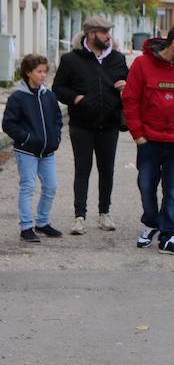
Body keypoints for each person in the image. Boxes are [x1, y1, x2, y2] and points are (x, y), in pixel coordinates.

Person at [122, 24, 174, 257]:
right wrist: (138, 135)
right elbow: (130, 100)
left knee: (173, 191)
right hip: (148, 141)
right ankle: (151, 222)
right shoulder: (142, 65)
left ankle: (168, 236)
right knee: (146, 186)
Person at [52, 16, 129, 235]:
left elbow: (131, 87)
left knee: (107, 171)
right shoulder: (71, 59)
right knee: (82, 170)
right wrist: (75, 98)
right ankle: (79, 217)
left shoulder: (117, 59)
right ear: (91, 34)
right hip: (81, 125)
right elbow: (58, 87)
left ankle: (104, 213)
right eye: (104, 32)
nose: (108, 36)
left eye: (109, 31)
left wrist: (126, 85)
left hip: (110, 124)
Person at [2, 55, 63, 242]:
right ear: (28, 72)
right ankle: (26, 227)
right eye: (39, 71)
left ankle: (42, 223)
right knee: (27, 187)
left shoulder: (49, 95)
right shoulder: (17, 97)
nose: (43, 75)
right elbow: (8, 124)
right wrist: (27, 138)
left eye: (45, 71)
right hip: (26, 151)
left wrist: (55, 137)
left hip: (47, 151)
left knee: (51, 186)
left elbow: (57, 119)